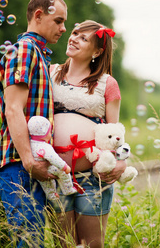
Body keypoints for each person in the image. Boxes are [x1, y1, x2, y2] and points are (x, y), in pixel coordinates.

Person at [0, 0, 67, 247]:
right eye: (58, 21)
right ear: (39, 15)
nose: (63, 28)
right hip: (20, 164)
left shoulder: (39, 54)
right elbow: (13, 109)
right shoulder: (25, 50)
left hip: (32, 164)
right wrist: (29, 161)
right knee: (29, 243)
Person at [49, 20, 126, 248]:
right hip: (56, 177)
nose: (73, 39)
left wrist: (122, 160)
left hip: (92, 178)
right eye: (74, 34)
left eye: (84, 39)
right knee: (64, 245)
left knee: (91, 245)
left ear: (97, 51)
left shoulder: (106, 83)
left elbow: (117, 132)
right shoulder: (50, 72)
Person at [27, 115, 77, 200]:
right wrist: (64, 167)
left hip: (37, 169)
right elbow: (54, 159)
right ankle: (68, 189)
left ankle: (52, 195)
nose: (51, 134)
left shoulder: (30, 143)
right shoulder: (45, 146)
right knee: (63, 173)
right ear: (44, 133)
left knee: (46, 182)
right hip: (48, 167)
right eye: (50, 132)